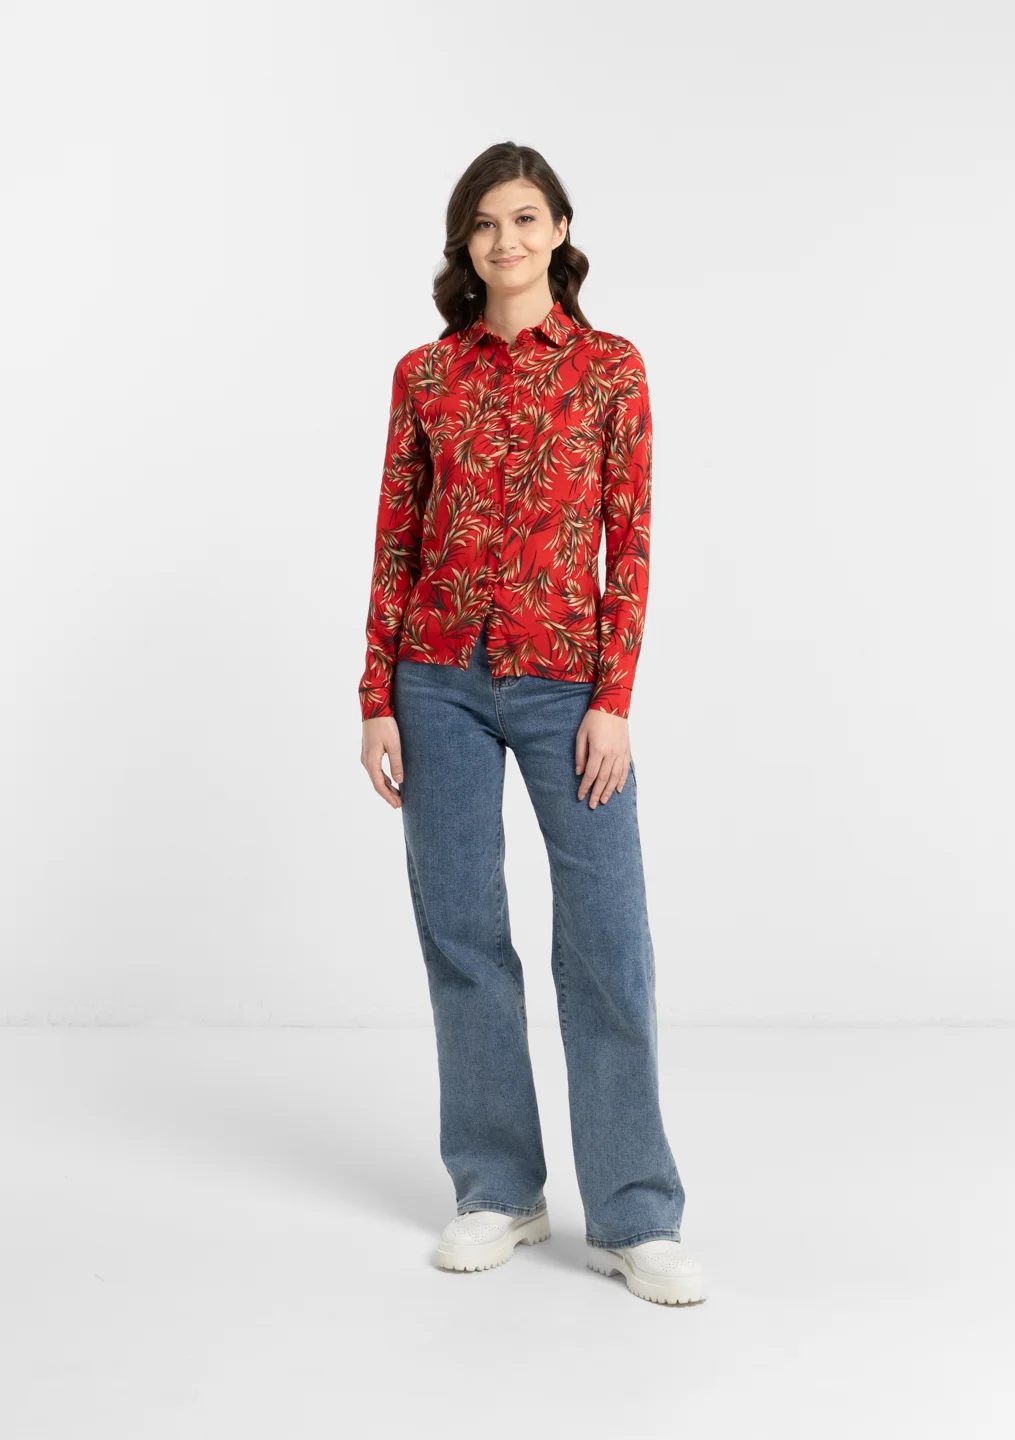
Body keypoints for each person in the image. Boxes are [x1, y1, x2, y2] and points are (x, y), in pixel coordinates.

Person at [358, 141, 706, 1306]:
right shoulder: (425, 376)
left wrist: (614, 700)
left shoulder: (610, 369)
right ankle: (498, 1189)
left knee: (607, 942)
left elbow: (632, 542)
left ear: (560, 229)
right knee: (463, 934)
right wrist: (376, 698)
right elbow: (395, 540)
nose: (503, 240)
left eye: (523, 218)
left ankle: (635, 1213)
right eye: (483, 223)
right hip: (438, 680)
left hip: (566, 684)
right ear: (464, 245)